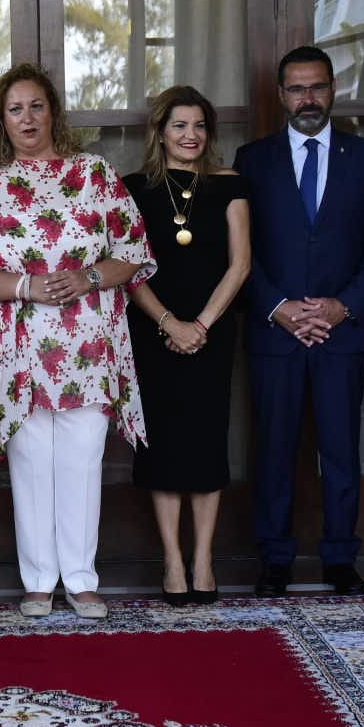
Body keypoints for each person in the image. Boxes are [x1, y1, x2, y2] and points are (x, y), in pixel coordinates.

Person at [0, 63, 155, 620]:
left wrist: (89, 276)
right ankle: (39, 579)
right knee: (32, 462)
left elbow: (135, 252)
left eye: (36, 106)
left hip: (87, 344)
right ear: (1, 119)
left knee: (84, 459)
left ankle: (82, 579)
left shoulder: (95, 175)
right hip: (14, 351)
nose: (27, 118)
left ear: (53, 112)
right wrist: (25, 285)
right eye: (15, 109)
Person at [236, 47, 364, 598]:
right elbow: (240, 253)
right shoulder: (251, 159)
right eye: (297, 89)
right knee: (274, 449)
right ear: (281, 95)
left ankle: (339, 558)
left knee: (341, 450)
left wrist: (341, 306)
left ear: (333, 90)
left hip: (341, 331)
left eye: (318, 87)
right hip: (273, 332)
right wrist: (279, 308)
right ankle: (275, 558)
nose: (308, 98)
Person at [124, 86, 251, 605]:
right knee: (163, 446)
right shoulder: (133, 188)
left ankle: (204, 560)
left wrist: (201, 324)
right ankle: (173, 563)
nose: (190, 136)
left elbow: (240, 264)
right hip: (154, 334)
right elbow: (128, 268)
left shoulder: (231, 185)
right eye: (179, 126)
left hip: (212, 334)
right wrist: (170, 323)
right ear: (161, 131)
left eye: (199, 126)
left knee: (204, 441)